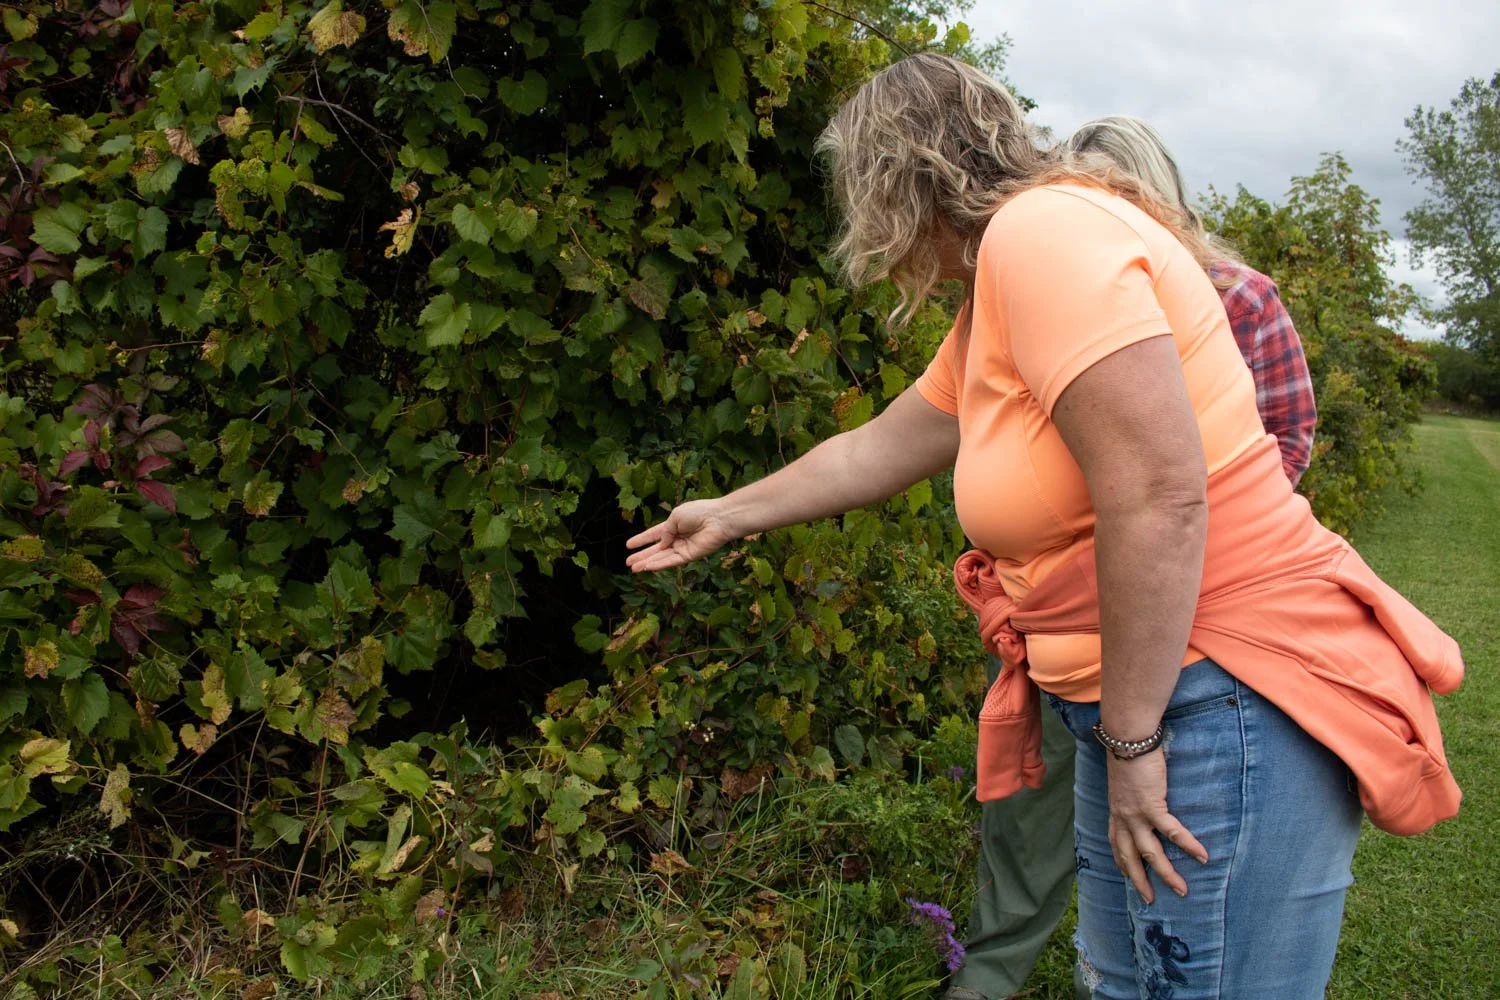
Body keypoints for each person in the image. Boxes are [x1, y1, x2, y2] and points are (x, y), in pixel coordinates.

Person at [626, 54, 1461, 999]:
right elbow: (879, 448)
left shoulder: (1044, 235)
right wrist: (726, 515)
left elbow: (1160, 496)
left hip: (1218, 694)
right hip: (1145, 701)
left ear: (899, 176)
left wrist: (1136, 746)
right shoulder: (1008, 277)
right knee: (1124, 984)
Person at [947, 115, 1320, 1000]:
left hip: (1193, 638)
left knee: (1177, 884)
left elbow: (1269, 453)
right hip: (1065, 633)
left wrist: (1161, 551)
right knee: (1059, 837)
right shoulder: (1027, 284)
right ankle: (1010, 971)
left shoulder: (1233, 294)